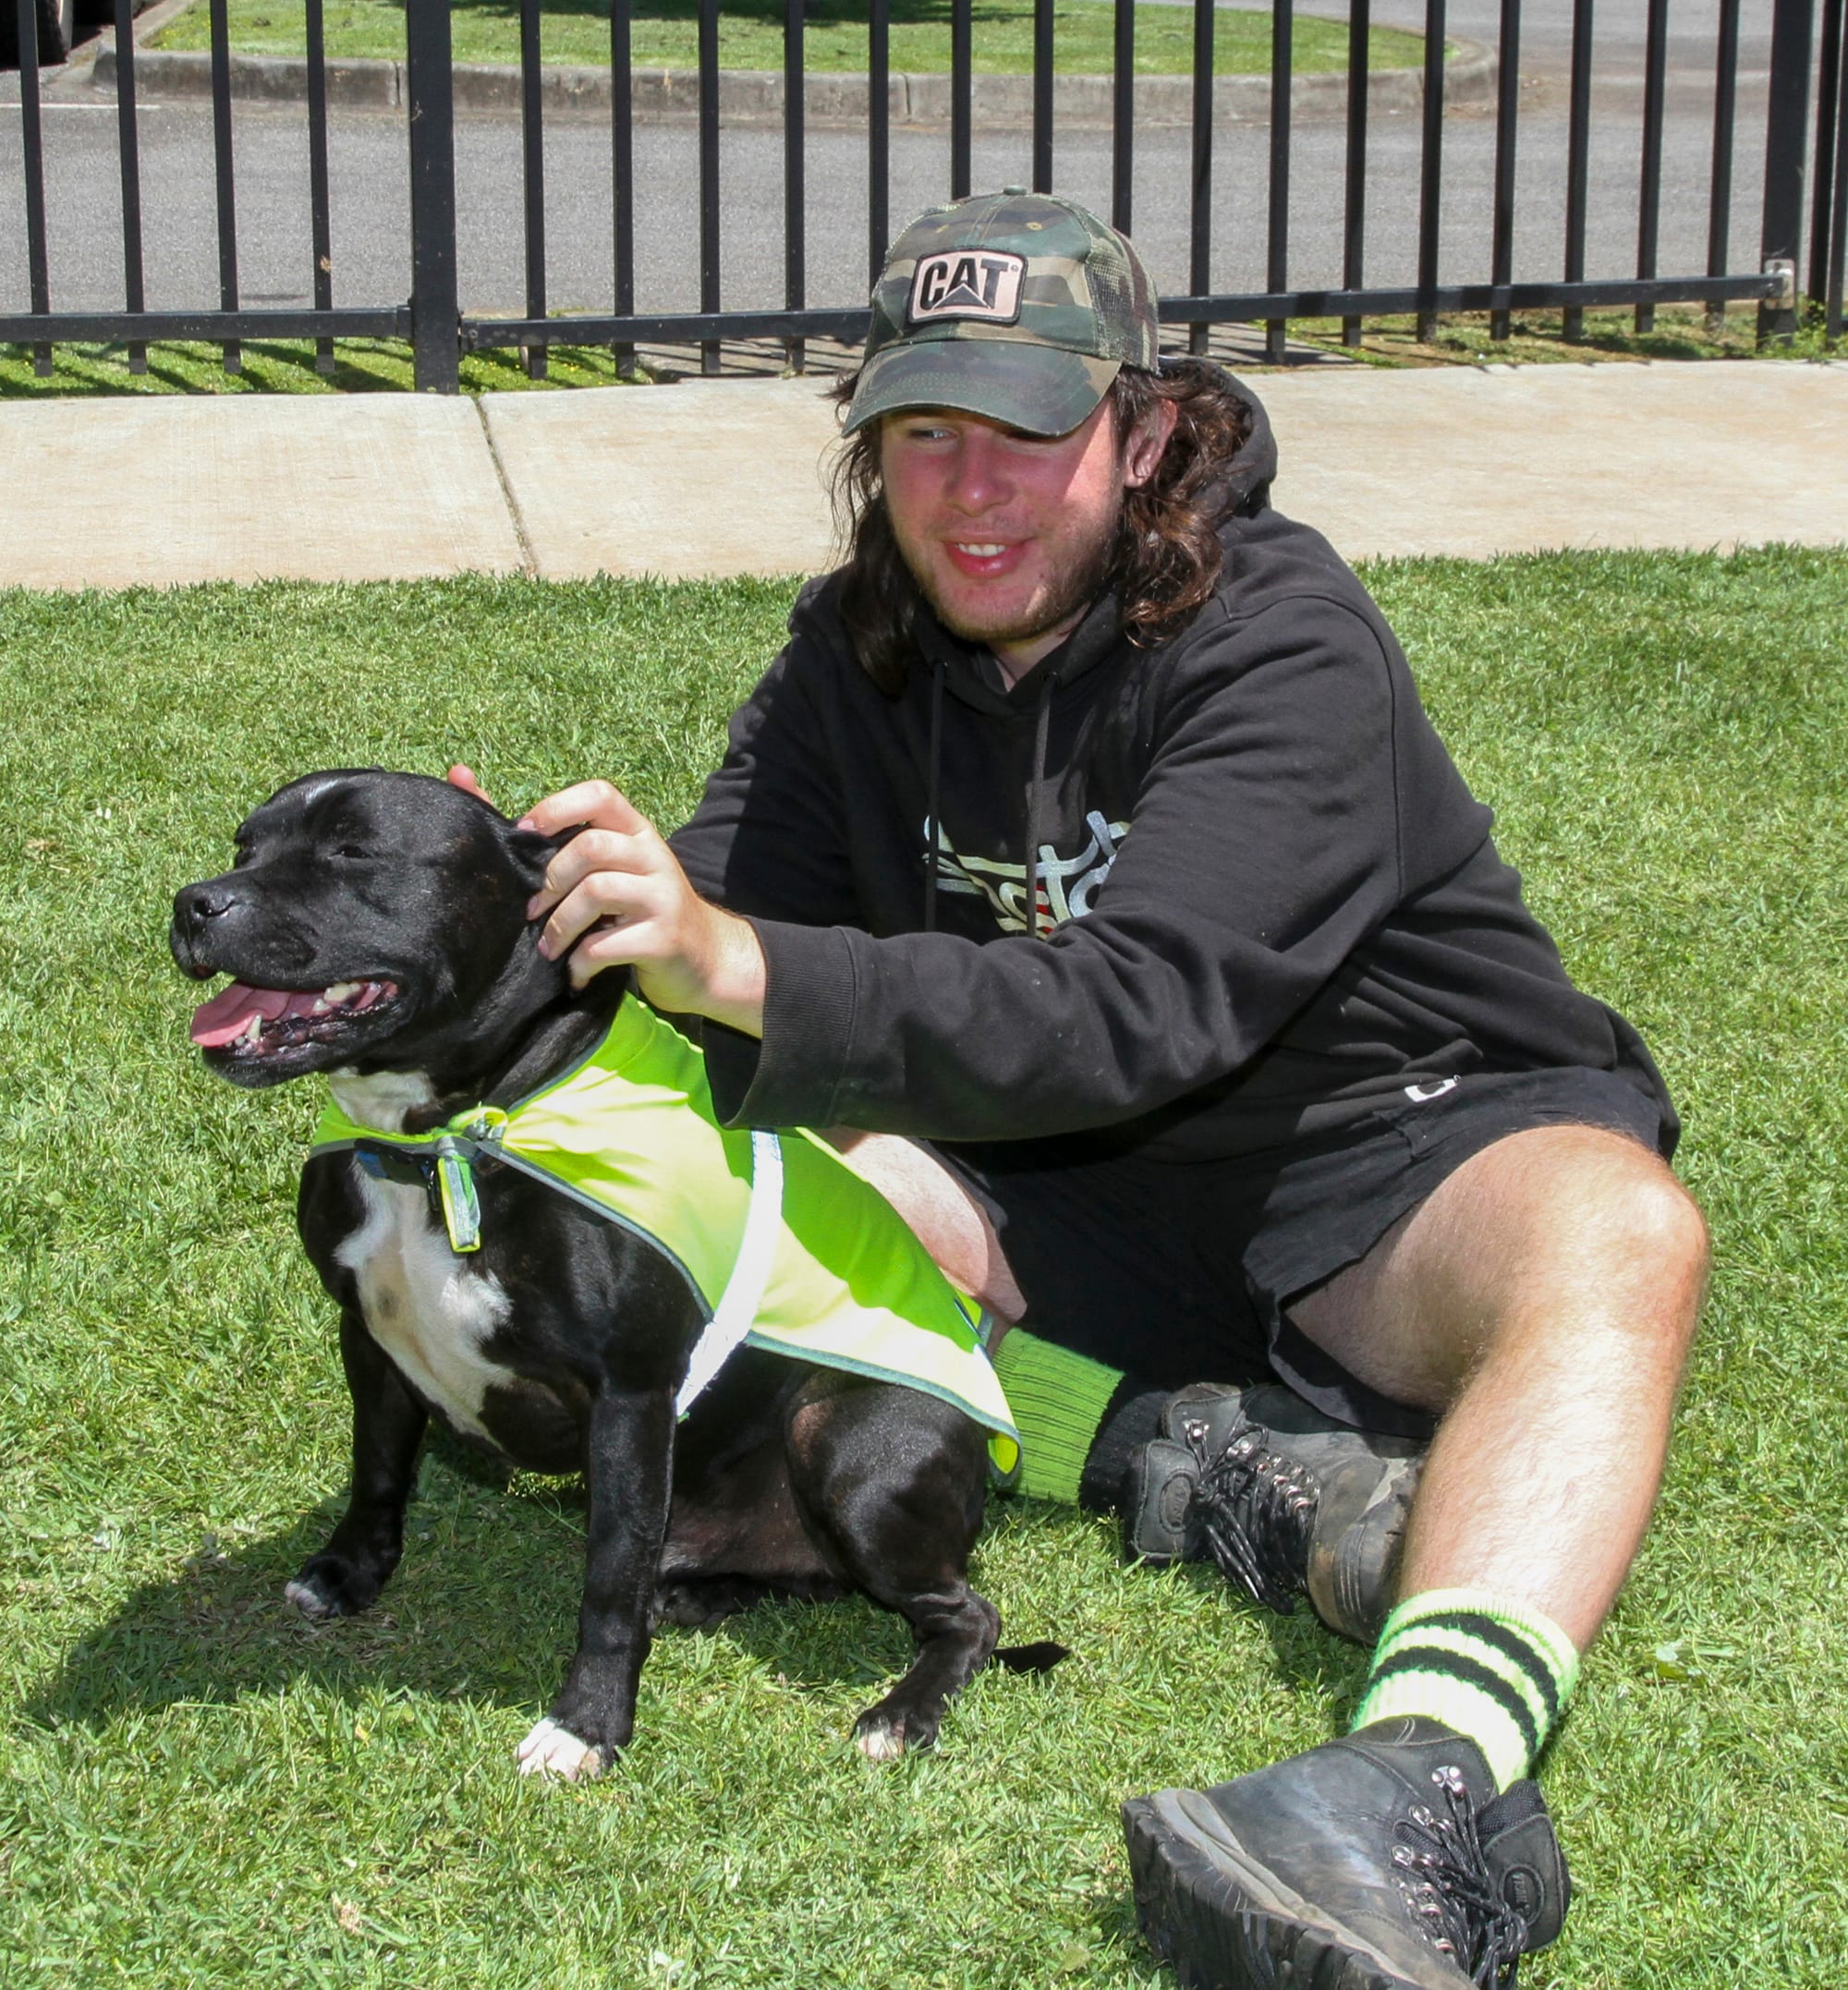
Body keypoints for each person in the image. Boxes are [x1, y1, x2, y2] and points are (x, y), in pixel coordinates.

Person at [452, 190, 1708, 1989]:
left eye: (1027, 434)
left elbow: (1137, 1011)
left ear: (1139, 431)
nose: (972, 489)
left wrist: (734, 962)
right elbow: (714, 1001)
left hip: (1394, 1151)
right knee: (709, 1233)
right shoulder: (846, 661)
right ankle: (1170, 1458)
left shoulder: (1282, 637)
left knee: (1617, 1229)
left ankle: (1411, 1779)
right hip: (1062, 1201)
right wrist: (525, 931)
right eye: (923, 434)